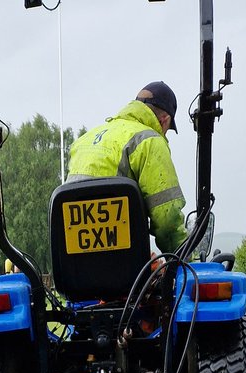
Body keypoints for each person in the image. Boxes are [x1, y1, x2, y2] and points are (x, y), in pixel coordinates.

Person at [67, 82, 187, 255]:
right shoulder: (149, 140)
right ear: (164, 120)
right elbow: (167, 220)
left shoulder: (84, 140)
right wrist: (185, 261)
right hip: (122, 267)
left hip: (75, 266)